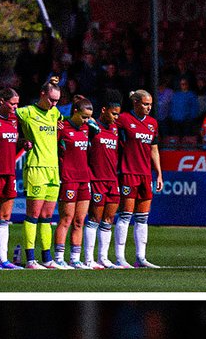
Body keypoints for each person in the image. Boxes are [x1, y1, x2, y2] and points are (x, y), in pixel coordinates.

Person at [113, 89, 163, 269]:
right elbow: (107, 127)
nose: (149, 108)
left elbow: (154, 149)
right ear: (135, 103)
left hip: (145, 174)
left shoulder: (152, 123)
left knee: (142, 217)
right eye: (145, 104)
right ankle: (120, 257)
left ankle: (140, 258)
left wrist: (159, 173)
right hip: (128, 173)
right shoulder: (124, 119)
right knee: (126, 215)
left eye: (150, 104)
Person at [17, 78, 63, 269]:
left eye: (57, 101)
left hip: (53, 169)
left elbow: (59, 122)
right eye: (52, 100)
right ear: (42, 94)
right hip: (36, 167)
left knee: (48, 216)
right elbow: (9, 124)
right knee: (33, 215)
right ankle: (29, 258)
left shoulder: (55, 113)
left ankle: (47, 258)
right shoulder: (26, 112)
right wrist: (22, 141)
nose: (54, 104)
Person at [83, 90, 122, 269]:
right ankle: (88, 259)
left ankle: (103, 258)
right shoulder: (91, 127)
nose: (116, 117)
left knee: (109, 220)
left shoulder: (115, 129)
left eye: (118, 114)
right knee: (94, 219)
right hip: (97, 179)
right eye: (114, 113)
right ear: (104, 110)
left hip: (112, 180)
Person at [54, 96, 94, 269]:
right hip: (68, 179)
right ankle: (58, 257)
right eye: (84, 117)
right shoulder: (63, 128)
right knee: (66, 219)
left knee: (80, 220)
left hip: (84, 179)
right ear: (75, 111)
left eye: (89, 117)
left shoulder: (87, 129)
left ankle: (75, 259)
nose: (86, 120)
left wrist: (92, 123)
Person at [0, 89, 23, 269]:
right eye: (12, 103)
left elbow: (14, 143)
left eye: (17, 104)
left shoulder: (15, 120)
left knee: (5, 216)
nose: (15, 107)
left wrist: (24, 144)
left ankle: (3, 259)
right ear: (1, 101)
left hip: (10, 173)